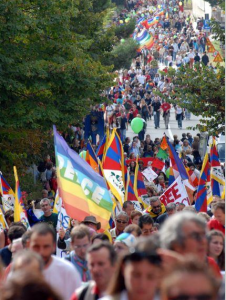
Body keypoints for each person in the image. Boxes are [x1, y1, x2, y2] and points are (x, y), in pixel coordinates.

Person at [29, 223, 82, 300]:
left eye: (46, 246)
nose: (41, 252)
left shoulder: (68, 271)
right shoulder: (20, 270)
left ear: (53, 246)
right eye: (36, 246)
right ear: (29, 245)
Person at [160, 212, 221, 276]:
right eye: (196, 236)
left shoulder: (211, 264)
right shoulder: (158, 272)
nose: (203, 241)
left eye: (204, 235)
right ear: (175, 243)